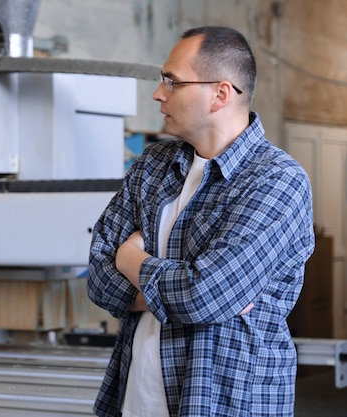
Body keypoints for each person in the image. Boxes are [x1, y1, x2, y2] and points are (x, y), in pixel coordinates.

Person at [87, 25, 315, 417]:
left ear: (220, 94)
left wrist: (130, 260)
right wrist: (187, 288)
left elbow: (204, 294)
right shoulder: (153, 166)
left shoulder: (278, 180)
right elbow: (97, 278)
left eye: (172, 82)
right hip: (134, 403)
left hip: (224, 404)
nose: (159, 93)